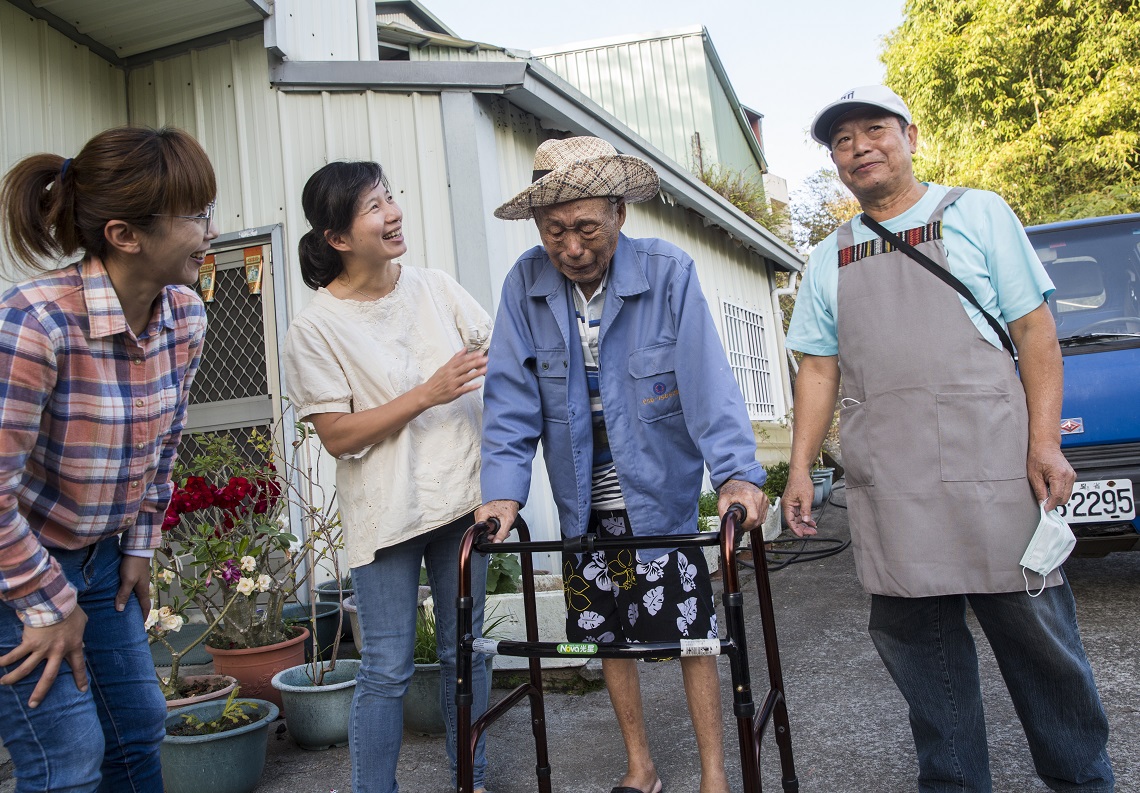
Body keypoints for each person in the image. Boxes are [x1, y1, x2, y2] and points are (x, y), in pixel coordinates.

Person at [782, 85, 1115, 792]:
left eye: (874, 130)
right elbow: (816, 368)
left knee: (1041, 646)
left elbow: (1035, 333)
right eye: (842, 141)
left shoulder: (977, 213)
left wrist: (1045, 443)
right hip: (891, 482)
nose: (859, 147)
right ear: (836, 162)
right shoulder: (827, 257)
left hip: (996, 465)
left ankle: (1085, 780)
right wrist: (800, 468)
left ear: (909, 136)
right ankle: (956, 783)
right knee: (921, 657)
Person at [476, 136, 768, 793]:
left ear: (619, 214)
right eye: (555, 232)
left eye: (585, 228)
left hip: (658, 494)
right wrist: (503, 492)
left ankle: (715, 773)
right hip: (583, 497)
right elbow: (511, 399)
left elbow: (707, 383)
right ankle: (641, 764)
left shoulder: (668, 273)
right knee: (605, 635)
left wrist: (737, 473)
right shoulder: (526, 284)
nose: (571, 247)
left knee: (694, 635)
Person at [0, 126, 217, 792]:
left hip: (101, 559)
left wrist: (140, 546)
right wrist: (47, 604)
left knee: (138, 728)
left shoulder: (183, 314)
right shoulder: (37, 323)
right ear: (126, 235)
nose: (211, 229)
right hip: (17, 570)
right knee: (67, 757)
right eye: (195, 215)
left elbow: (164, 443)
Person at [281, 161, 494, 793]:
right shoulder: (314, 327)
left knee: (467, 652)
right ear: (338, 238)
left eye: (390, 197)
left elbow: (501, 361)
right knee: (385, 667)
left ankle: (470, 781)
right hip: (385, 513)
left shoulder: (435, 288)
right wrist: (427, 393)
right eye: (374, 207)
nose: (393, 212)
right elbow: (337, 435)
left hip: (462, 497)